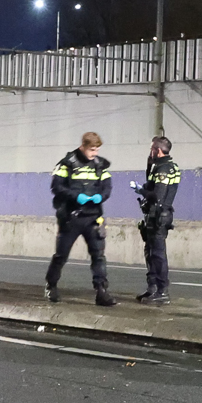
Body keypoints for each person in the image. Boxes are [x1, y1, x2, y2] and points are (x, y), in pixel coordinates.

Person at [45, 131, 117, 307]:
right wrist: (76, 196)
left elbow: (107, 187)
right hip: (72, 217)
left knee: (98, 256)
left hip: (93, 217)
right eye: (92, 149)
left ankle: (101, 291)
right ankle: (51, 285)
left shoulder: (100, 165)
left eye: (97, 150)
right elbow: (56, 187)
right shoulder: (67, 164)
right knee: (61, 255)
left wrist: (101, 196)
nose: (95, 153)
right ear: (83, 146)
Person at [136, 137, 181, 304]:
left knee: (158, 254)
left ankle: (162, 291)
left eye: (152, 149)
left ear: (157, 150)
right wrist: (149, 167)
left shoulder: (164, 168)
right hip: (154, 216)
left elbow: (157, 196)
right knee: (150, 253)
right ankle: (152, 288)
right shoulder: (161, 166)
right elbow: (152, 186)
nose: (150, 152)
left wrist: (141, 190)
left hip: (159, 216)